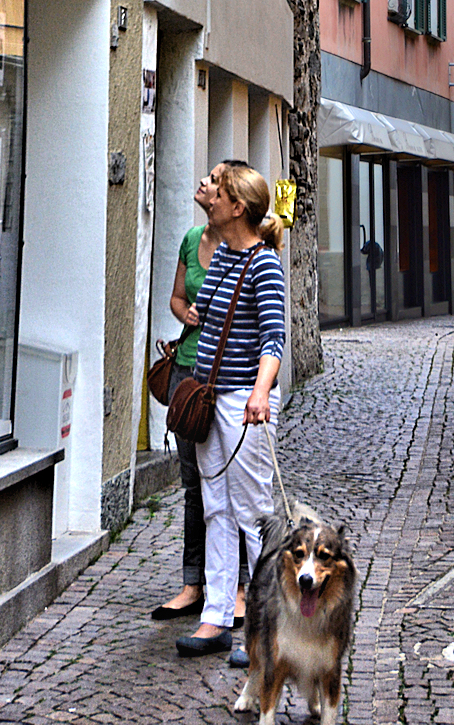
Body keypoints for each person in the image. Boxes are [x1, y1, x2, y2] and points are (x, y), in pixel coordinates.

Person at [175, 163, 287, 660]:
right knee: (215, 507)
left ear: (237, 207)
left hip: (246, 402)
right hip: (211, 397)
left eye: (217, 190)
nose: (209, 193)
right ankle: (216, 616)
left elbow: (274, 340)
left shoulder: (265, 266)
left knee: (252, 514)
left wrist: (261, 393)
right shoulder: (220, 256)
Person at [150, 163, 250, 623]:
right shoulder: (193, 241)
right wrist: (184, 314)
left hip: (229, 377)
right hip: (189, 372)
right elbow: (175, 297)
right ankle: (195, 583)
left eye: (213, 181)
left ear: (230, 201)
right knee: (196, 485)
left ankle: (241, 590)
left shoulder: (247, 252)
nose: (202, 184)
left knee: (239, 486)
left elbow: (268, 328)